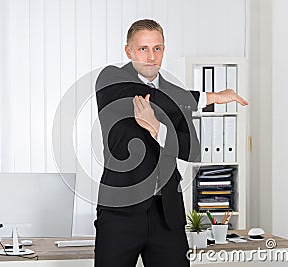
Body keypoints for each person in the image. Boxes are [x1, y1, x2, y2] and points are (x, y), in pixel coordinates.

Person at [94, 19, 248, 267]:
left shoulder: (175, 94)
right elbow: (150, 97)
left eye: (157, 48)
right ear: (129, 51)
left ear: (164, 50)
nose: (151, 56)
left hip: (167, 214)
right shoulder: (113, 79)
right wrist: (209, 97)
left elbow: (193, 151)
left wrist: (159, 129)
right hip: (121, 212)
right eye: (143, 48)